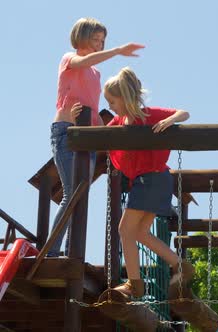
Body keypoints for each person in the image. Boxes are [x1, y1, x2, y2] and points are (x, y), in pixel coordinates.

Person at [85, 67, 193, 298]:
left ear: (124, 98)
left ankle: (135, 284)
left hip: (152, 179)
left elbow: (184, 113)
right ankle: (180, 264)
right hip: (153, 180)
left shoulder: (147, 115)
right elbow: (101, 134)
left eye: (112, 101)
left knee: (125, 229)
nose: (111, 106)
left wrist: (170, 120)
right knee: (141, 233)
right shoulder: (119, 120)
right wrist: (82, 118)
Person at [48, 17, 144, 257]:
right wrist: (118, 51)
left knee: (81, 194)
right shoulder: (70, 59)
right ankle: (51, 251)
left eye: (102, 41)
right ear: (81, 37)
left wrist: (107, 129)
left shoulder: (96, 72)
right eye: (95, 39)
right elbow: (84, 61)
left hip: (88, 138)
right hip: (68, 132)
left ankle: (72, 252)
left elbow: (92, 104)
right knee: (72, 192)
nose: (99, 44)